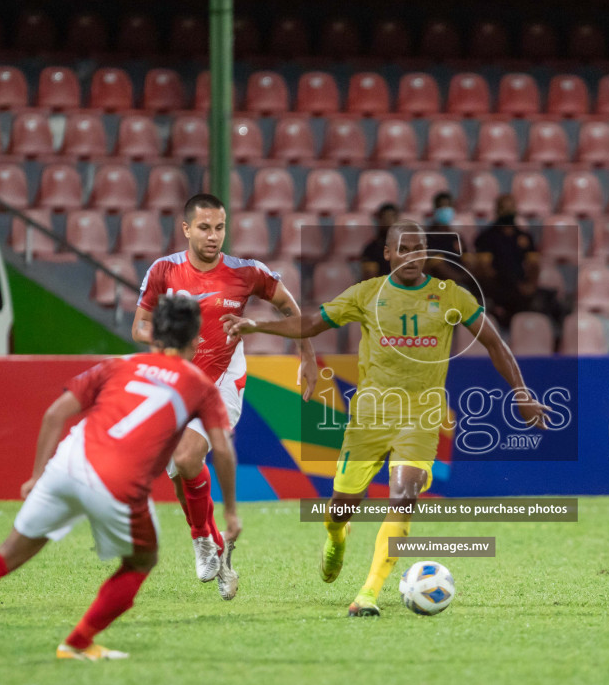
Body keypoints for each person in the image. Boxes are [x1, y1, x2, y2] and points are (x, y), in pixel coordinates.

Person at [223, 221, 550, 617]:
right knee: (341, 507)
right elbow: (311, 324)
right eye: (404, 248)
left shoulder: (450, 296)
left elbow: (495, 343)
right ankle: (337, 537)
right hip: (370, 416)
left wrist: (522, 393)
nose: (412, 256)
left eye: (419, 249)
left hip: (422, 416)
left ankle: (368, 593)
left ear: (428, 254)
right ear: (388, 254)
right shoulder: (367, 294)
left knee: (404, 496)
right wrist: (257, 324)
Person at [0, 295, 239, 660]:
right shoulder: (200, 386)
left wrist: (36, 476)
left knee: (9, 552)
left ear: (153, 334)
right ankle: (77, 643)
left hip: (67, 463)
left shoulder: (118, 365)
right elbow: (221, 450)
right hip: (119, 484)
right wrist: (231, 513)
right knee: (142, 561)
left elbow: (55, 414)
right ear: (195, 341)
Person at [132, 193, 315, 598]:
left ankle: (202, 539)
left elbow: (291, 309)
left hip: (222, 379)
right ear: (186, 229)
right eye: (204, 228)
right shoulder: (163, 271)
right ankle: (209, 540)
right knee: (181, 473)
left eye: (219, 228)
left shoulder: (247, 272)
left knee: (185, 457)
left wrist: (308, 357)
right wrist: (170, 340)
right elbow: (139, 326)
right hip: (176, 380)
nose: (213, 236)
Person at [473, 194, 541, 326]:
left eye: (511, 208)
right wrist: (510, 284)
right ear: (497, 211)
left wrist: (530, 285)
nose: (508, 212)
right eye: (505, 208)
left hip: (521, 286)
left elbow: (534, 264)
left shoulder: (524, 236)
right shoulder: (487, 237)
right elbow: (485, 269)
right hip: (497, 287)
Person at [358, 202, 401, 279]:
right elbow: (370, 279)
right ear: (380, 220)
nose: (389, 221)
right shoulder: (371, 249)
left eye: (393, 217)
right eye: (386, 218)